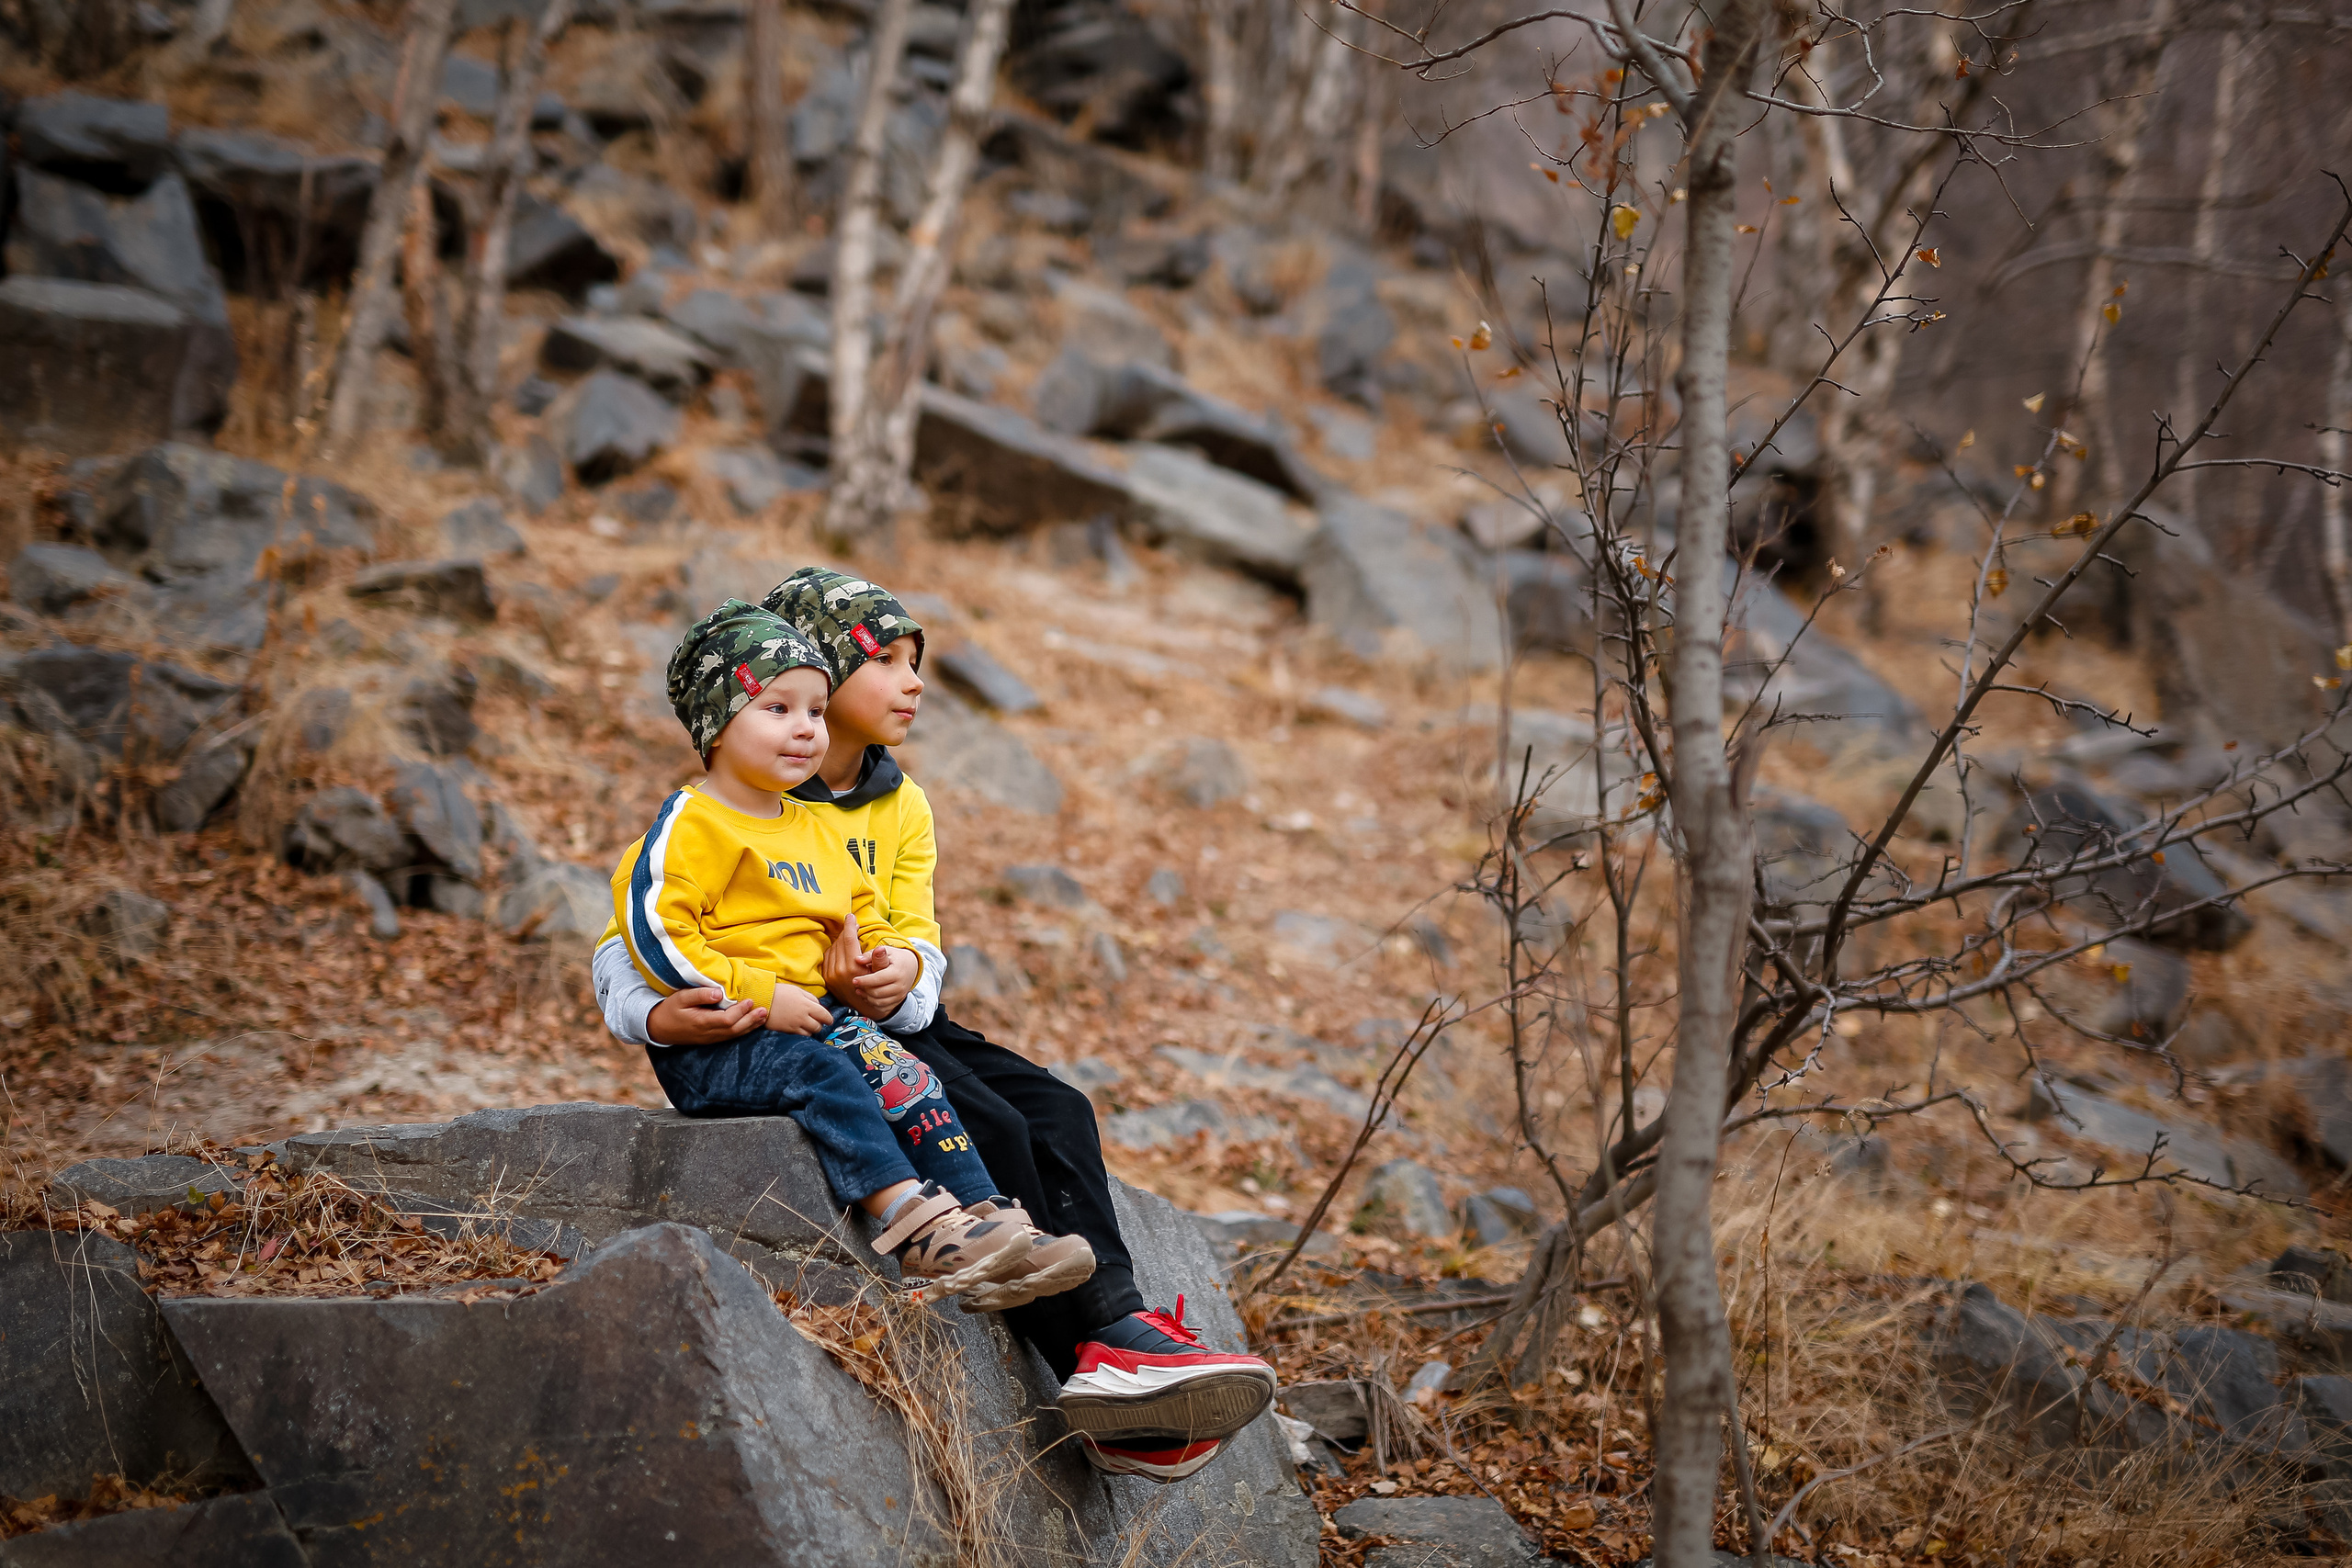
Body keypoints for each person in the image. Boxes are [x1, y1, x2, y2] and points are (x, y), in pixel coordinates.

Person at [594, 570, 1278, 1483]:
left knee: (1061, 1109)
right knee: (989, 1126)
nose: (916, 682)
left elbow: (910, 930)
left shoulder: (892, 802)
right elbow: (638, 931)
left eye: (919, 663)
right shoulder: (734, 798)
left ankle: (1121, 1335)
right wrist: (654, 1014)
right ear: (817, 673)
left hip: (887, 1016)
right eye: (888, 660)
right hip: (790, 1021)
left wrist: (900, 976)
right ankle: (1102, 1358)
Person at [607, 598, 1093, 1307]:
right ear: (716, 724)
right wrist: (758, 991)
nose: (805, 728)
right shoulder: (694, 821)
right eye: (777, 709)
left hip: (818, 1016)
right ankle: (911, 1219)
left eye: (814, 710)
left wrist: (873, 960)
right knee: (827, 1072)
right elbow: (654, 932)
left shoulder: (808, 823)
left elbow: (859, 904)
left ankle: (985, 1222)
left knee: (908, 1075)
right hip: (723, 1039)